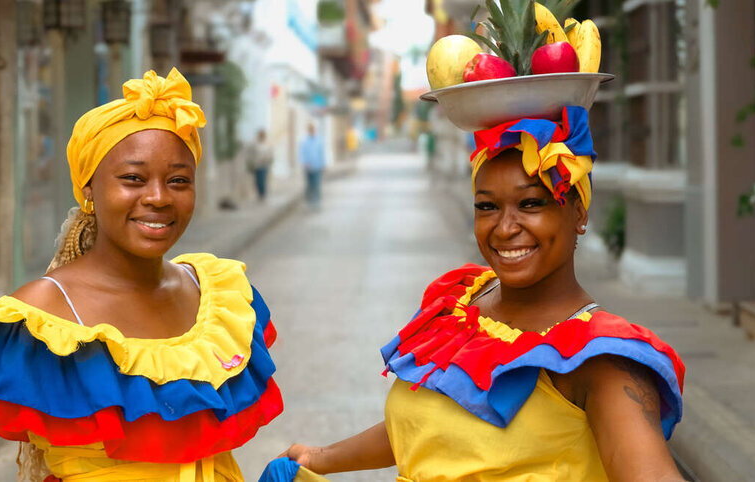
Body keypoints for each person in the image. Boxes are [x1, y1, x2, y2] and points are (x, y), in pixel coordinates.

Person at [264, 106, 686, 481]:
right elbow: (430, 431)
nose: (504, 227)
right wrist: (321, 457)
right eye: (487, 206)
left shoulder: (601, 360)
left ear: (578, 212)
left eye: (531, 203)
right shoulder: (462, 303)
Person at [0, 68, 283, 481]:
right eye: (132, 179)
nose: (158, 197)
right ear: (88, 189)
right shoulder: (41, 318)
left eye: (179, 180)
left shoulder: (217, 296)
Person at [298, 124, 326, 208]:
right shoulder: (304, 141)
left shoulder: (319, 140)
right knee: (309, 184)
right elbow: (302, 153)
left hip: (317, 166)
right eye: (311, 130)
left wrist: (323, 164)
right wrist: (304, 163)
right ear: (309, 131)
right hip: (308, 166)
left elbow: (322, 153)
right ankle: (309, 200)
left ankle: (316, 201)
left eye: (313, 130)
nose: (312, 131)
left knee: (316, 184)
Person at [245, 129, 274, 201]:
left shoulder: (267, 144)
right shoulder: (254, 144)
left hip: (264, 164)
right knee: (257, 180)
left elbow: (270, 154)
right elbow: (250, 153)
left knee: (262, 180)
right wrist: (250, 162)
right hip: (257, 165)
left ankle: (262, 194)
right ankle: (259, 193)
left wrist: (268, 160)